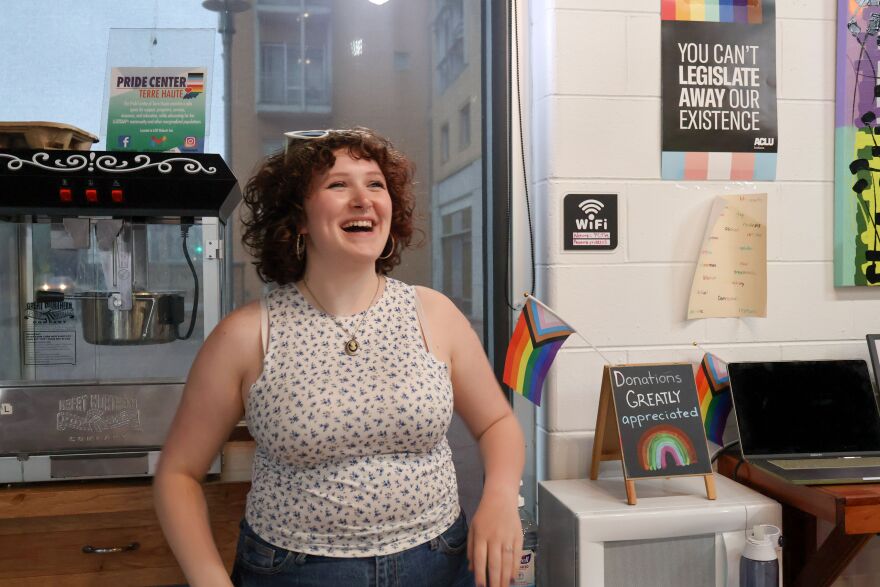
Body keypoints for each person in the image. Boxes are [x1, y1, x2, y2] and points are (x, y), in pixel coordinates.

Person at [154, 127, 525, 587]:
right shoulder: (246, 334)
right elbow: (178, 474)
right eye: (338, 185)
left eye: (375, 184)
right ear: (299, 219)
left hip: (440, 563)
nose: (363, 199)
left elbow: (497, 423)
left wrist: (501, 498)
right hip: (296, 573)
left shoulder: (434, 313)